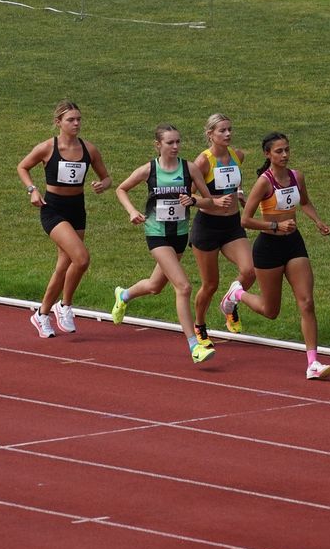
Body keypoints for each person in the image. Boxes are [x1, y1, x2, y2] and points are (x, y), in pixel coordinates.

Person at [219, 132, 330, 379]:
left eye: (287, 150)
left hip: (294, 244)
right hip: (268, 247)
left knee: (307, 302)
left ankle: (313, 362)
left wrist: (317, 221)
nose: (284, 155)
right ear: (267, 154)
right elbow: (245, 220)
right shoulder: (264, 182)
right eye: (279, 151)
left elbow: (304, 202)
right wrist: (275, 227)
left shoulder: (296, 176)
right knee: (271, 311)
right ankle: (237, 293)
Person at [110, 124, 223, 364]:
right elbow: (121, 189)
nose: (175, 146)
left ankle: (124, 295)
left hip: (179, 234)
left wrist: (193, 200)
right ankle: (194, 345)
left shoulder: (189, 168)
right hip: (157, 234)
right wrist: (132, 211)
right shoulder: (149, 170)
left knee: (155, 285)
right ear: (158, 145)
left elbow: (210, 202)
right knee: (183, 287)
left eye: (178, 142)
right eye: (170, 142)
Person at [17, 100, 111, 338]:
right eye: (71, 120)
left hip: (77, 208)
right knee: (81, 258)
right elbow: (23, 167)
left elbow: (107, 177)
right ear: (58, 122)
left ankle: (41, 314)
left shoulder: (89, 149)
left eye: (79, 119)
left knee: (63, 265)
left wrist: (102, 185)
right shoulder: (48, 147)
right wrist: (32, 190)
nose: (76, 123)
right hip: (53, 209)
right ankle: (65, 305)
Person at [190, 113, 254, 342]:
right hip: (207, 227)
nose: (228, 134)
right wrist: (214, 202)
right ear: (210, 135)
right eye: (222, 131)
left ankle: (229, 304)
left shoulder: (238, 156)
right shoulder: (203, 161)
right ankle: (199, 325)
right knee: (210, 284)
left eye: (230, 129)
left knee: (250, 271)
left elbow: (234, 184)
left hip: (232, 225)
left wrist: (240, 195)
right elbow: (188, 196)